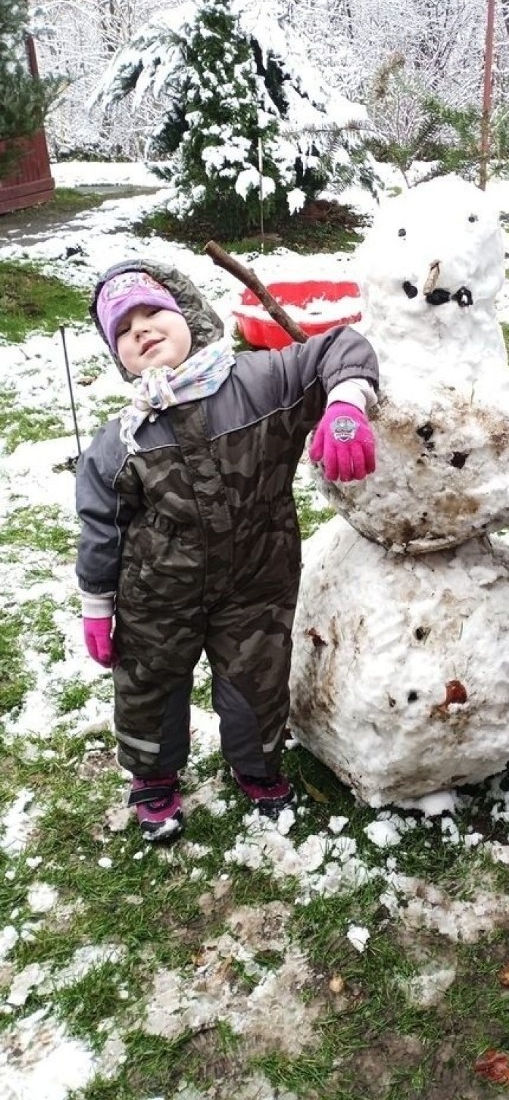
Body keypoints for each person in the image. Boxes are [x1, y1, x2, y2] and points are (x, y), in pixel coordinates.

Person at [76, 261, 379, 844]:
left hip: (256, 580)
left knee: (257, 681)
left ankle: (257, 767)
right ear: (119, 356)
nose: (141, 330)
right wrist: (97, 603)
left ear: (189, 314)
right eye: (124, 330)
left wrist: (345, 404)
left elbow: (339, 346)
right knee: (149, 685)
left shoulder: (261, 382)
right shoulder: (123, 439)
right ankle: (154, 779)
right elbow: (100, 524)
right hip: (157, 593)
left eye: (152, 313)